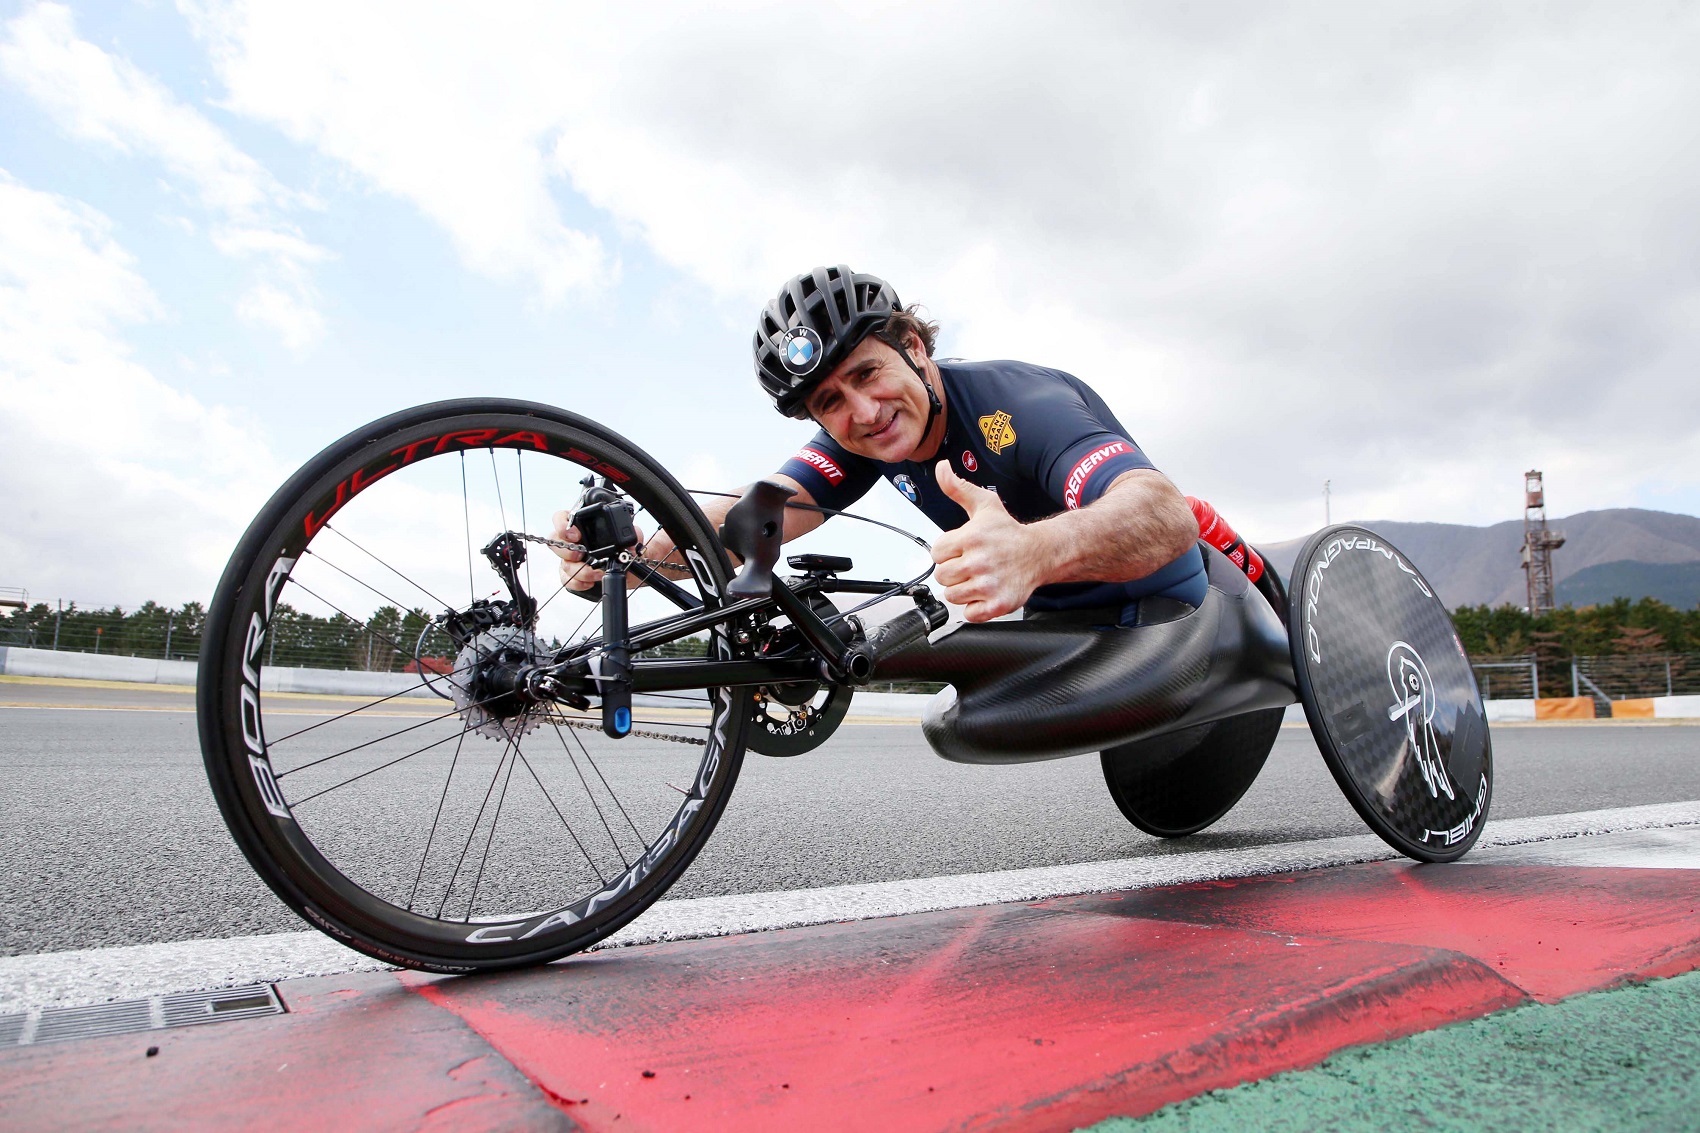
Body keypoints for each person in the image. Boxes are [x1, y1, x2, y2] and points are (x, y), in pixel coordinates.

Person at [552, 264, 1217, 628]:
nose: (864, 413)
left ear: (915, 348)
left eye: (868, 373)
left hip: (1165, 603)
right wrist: (629, 557)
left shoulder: (1018, 406)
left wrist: (1035, 549)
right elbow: (758, 515)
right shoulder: (863, 440)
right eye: (829, 402)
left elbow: (1162, 513)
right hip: (1057, 616)